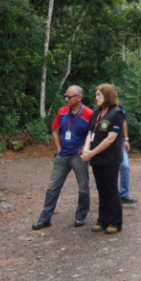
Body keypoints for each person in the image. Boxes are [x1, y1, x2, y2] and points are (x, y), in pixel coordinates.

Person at [32, 85, 93, 230]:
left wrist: (85, 148)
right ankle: (45, 218)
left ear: (79, 98)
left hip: (78, 157)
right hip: (63, 156)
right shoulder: (62, 112)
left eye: (69, 97)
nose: (66, 99)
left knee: (83, 187)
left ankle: (80, 216)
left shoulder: (89, 114)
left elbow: (92, 134)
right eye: (65, 96)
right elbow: (55, 131)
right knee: (52, 187)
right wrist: (59, 150)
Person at [81, 84, 125, 234]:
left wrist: (91, 153)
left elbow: (110, 139)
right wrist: (87, 150)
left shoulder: (116, 113)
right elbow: (89, 133)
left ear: (107, 95)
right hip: (96, 158)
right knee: (101, 189)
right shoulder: (96, 112)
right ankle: (103, 219)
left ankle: (115, 221)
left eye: (99, 94)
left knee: (111, 189)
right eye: (96, 95)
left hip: (110, 159)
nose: (96, 97)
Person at [117, 101, 138, 205]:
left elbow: (123, 121)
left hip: (119, 141)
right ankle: (110, 195)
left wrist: (126, 139)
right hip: (105, 142)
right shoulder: (99, 107)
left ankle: (124, 194)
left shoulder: (119, 105)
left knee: (124, 166)